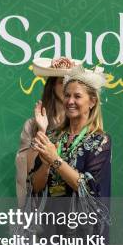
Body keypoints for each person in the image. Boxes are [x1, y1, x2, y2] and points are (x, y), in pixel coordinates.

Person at [27, 65, 111, 242]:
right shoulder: (53, 136)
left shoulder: (100, 141)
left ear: (92, 102)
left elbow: (88, 189)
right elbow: (35, 186)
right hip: (51, 229)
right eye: (67, 95)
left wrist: (55, 159)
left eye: (77, 96)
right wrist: (47, 162)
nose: (70, 101)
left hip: (86, 233)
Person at [15, 57, 79, 207]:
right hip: (43, 207)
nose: (67, 86)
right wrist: (42, 131)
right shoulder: (32, 125)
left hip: (74, 206)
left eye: (71, 82)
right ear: (52, 86)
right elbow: (26, 172)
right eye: (62, 81)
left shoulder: (81, 126)